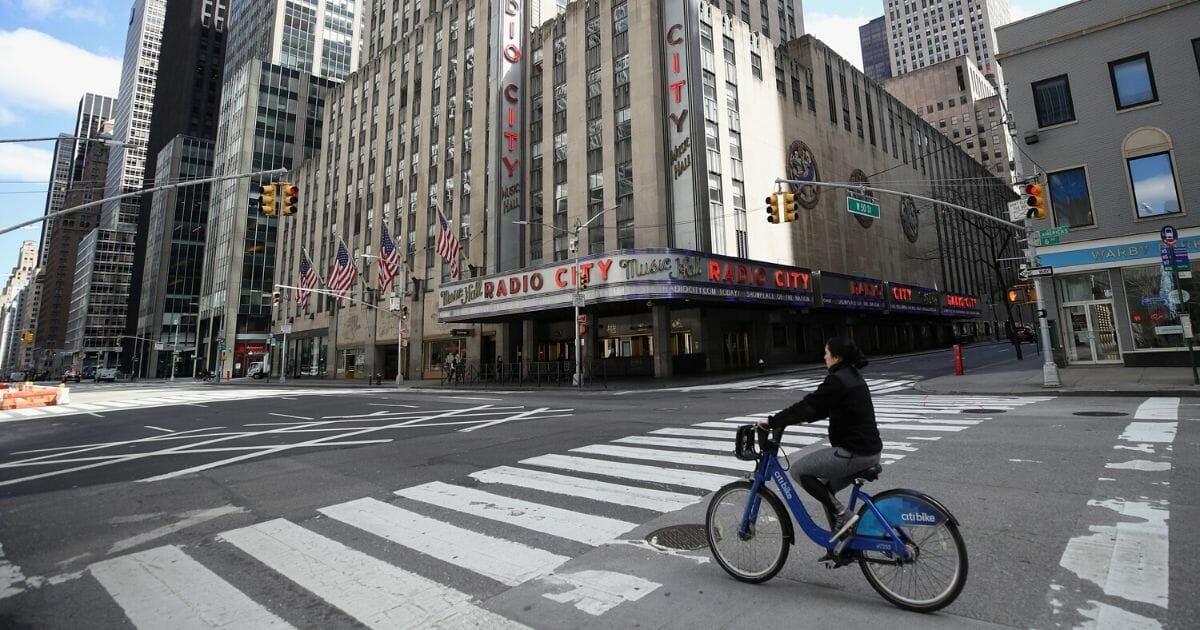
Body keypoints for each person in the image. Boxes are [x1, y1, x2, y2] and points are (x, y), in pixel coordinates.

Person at [757, 336, 882, 547]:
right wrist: (790, 420)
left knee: (799, 471)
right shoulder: (852, 375)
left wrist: (772, 421)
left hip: (853, 452)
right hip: (870, 450)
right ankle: (842, 544)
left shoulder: (837, 380)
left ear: (836, 356)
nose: (824, 357)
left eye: (826, 352)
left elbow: (810, 406)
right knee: (827, 489)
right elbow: (821, 408)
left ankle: (843, 514)